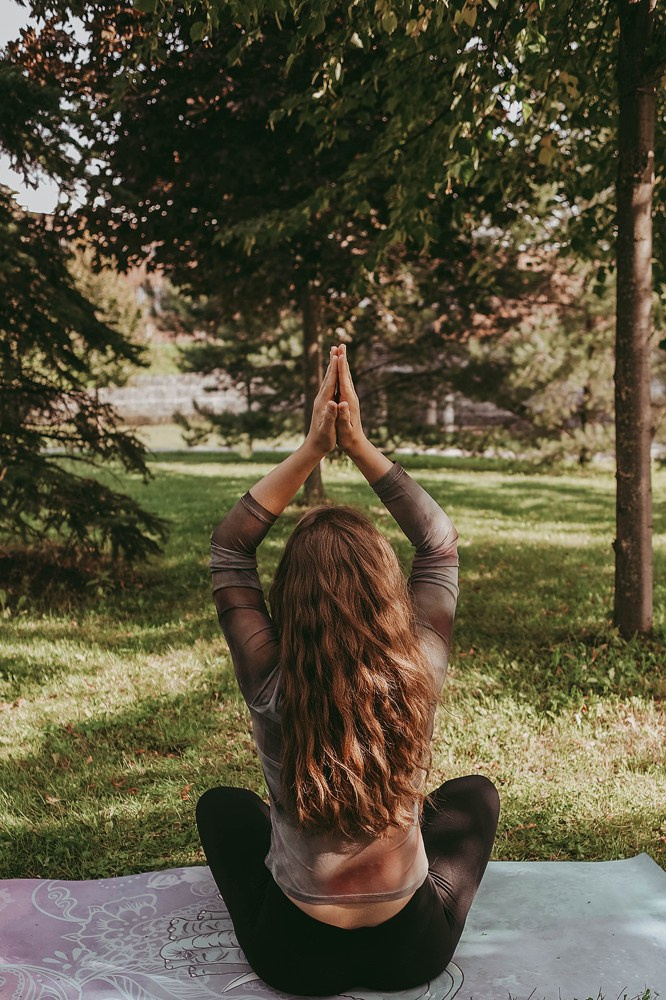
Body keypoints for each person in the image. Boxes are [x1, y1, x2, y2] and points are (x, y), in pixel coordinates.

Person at [196, 343, 500, 996]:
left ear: (291, 602)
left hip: (292, 958)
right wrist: (358, 445)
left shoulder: (270, 681)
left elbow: (230, 549)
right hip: (414, 952)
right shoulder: (419, 668)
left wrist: (312, 448)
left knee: (224, 808)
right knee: (474, 796)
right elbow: (438, 543)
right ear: (385, 591)